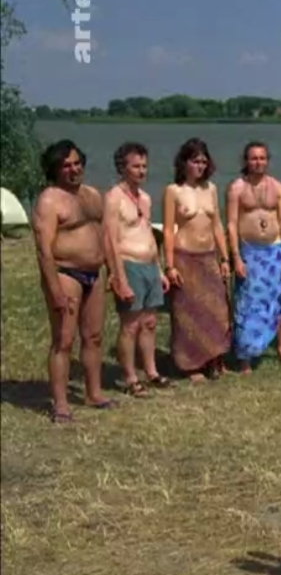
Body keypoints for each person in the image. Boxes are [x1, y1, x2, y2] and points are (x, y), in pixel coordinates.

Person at [32, 140, 117, 423]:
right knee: (64, 340)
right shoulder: (49, 200)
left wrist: (113, 271)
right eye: (66, 165)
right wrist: (54, 290)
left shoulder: (92, 195)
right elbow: (44, 250)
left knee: (94, 337)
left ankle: (94, 393)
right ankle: (60, 404)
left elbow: (105, 236)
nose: (74, 169)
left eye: (77, 163)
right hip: (65, 274)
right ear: (55, 169)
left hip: (94, 273)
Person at [103, 142, 172, 397]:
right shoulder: (114, 197)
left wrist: (159, 269)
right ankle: (130, 377)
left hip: (150, 265)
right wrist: (118, 276)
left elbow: (148, 234)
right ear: (123, 168)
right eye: (136, 166)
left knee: (150, 322)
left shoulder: (145, 198)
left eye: (144, 166)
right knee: (130, 325)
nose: (142, 171)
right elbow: (109, 239)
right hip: (128, 264)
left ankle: (151, 371)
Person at [226, 141, 281, 372]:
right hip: (250, 251)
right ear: (246, 161)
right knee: (247, 302)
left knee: (278, 300)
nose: (258, 162)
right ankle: (245, 356)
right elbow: (231, 224)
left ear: (267, 160)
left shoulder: (277, 187)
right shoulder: (237, 188)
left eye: (262, 158)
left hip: (274, 250)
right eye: (253, 158)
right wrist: (236, 257)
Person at [164, 138, 233, 381]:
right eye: (195, 161)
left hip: (209, 256)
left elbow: (217, 225)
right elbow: (168, 230)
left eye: (203, 162)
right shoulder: (174, 191)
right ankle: (191, 364)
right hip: (185, 256)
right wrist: (169, 266)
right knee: (188, 312)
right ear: (184, 163)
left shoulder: (211, 189)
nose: (200, 166)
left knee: (218, 309)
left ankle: (215, 357)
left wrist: (225, 259)